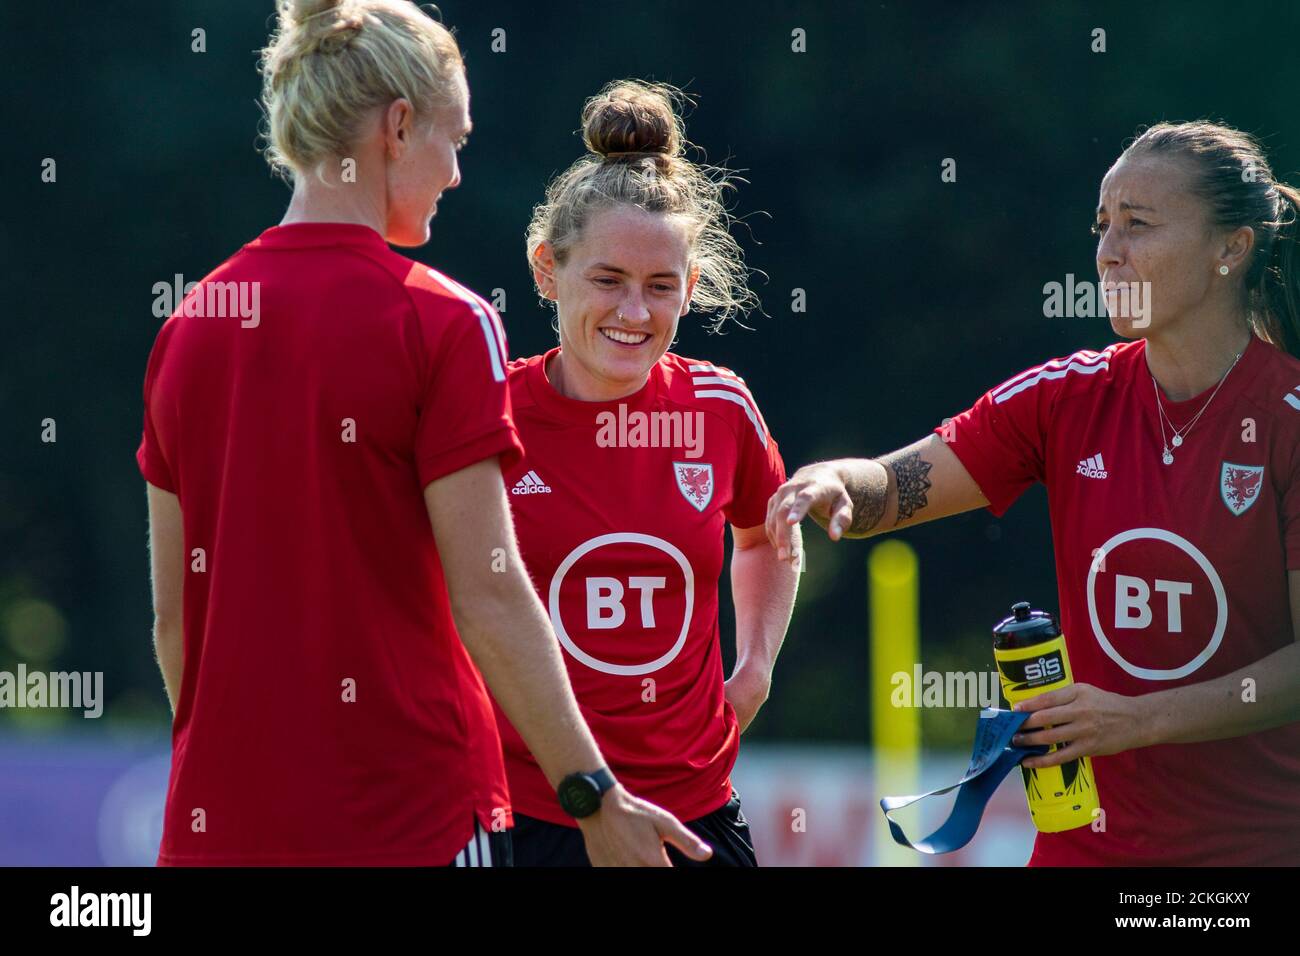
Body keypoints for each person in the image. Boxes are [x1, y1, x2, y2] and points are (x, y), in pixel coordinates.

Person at [136, 0, 709, 867]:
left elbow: (176, 623)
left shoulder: (190, 324)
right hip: (410, 819)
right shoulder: (442, 319)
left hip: (217, 826)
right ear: (398, 127)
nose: (455, 174)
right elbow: (489, 590)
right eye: (455, 140)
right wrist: (593, 793)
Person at [767, 121, 1300, 866]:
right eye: (1102, 225)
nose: (1108, 251)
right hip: (1080, 848)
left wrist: (1136, 721)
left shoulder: (1286, 419)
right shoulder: (1065, 396)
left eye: (1138, 226)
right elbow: (894, 486)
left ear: (1230, 248)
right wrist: (830, 481)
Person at [491, 80, 800, 866]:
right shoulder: (489, 414)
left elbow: (766, 533)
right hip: (531, 813)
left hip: (692, 810)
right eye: (607, 280)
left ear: (690, 289)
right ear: (545, 270)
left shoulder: (720, 407)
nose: (635, 312)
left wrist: (755, 668)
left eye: (661, 287)